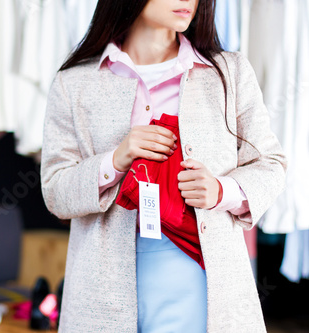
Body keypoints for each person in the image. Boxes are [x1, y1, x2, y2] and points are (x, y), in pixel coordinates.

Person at [40, 0, 287, 332]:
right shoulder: (73, 84)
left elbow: (271, 165)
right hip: (101, 292)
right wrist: (115, 160)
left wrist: (220, 190)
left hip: (200, 281)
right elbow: (55, 191)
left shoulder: (229, 73)